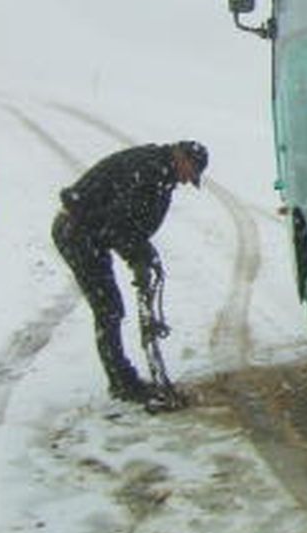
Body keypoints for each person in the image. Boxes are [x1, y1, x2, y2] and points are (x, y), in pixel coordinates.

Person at [51, 140, 208, 408]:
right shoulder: (150, 171)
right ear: (182, 158)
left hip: (89, 231)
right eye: (189, 174)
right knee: (108, 307)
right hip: (77, 232)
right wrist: (137, 256)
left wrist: (142, 254)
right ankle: (121, 381)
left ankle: (121, 377)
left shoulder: (161, 172)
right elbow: (119, 225)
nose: (185, 181)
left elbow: (128, 226)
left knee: (110, 307)